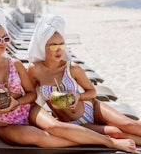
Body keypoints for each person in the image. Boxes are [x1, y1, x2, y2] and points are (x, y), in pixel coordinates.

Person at [0, 6, 136, 153]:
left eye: (5, 38)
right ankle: (106, 142)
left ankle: (110, 142)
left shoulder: (15, 63)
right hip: (7, 123)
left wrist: (17, 101)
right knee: (43, 138)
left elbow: (31, 94)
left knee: (56, 126)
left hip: (29, 110)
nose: (3, 43)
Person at [27, 14, 141, 148]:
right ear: (42, 46)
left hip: (91, 108)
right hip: (73, 123)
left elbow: (92, 91)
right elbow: (31, 95)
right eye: (53, 46)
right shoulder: (34, 70)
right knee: (115, 132)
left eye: (62, 45)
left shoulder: (72, 68)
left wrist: (78, 96)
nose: (58, 50)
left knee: (129, 124)